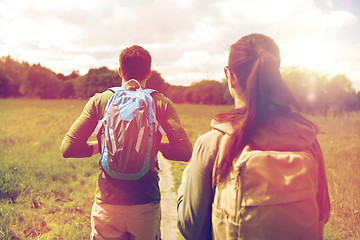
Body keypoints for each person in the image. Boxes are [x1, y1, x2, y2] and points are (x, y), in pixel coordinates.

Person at [177, 33, 330, 240]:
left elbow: (191, 228)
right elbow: (322, 215)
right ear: (276, 74)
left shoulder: (212, 143)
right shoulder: (307, 139)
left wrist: (186, 181)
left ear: (230, 76)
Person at [61, 45, 192, 240]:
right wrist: (155, 147)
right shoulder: (160, 102)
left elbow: (68, 148)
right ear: (149, 72)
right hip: (145, 204)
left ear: (120, 70)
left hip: (107, 204)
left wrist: (101, 147)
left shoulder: (100, 100)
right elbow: (184, 152)